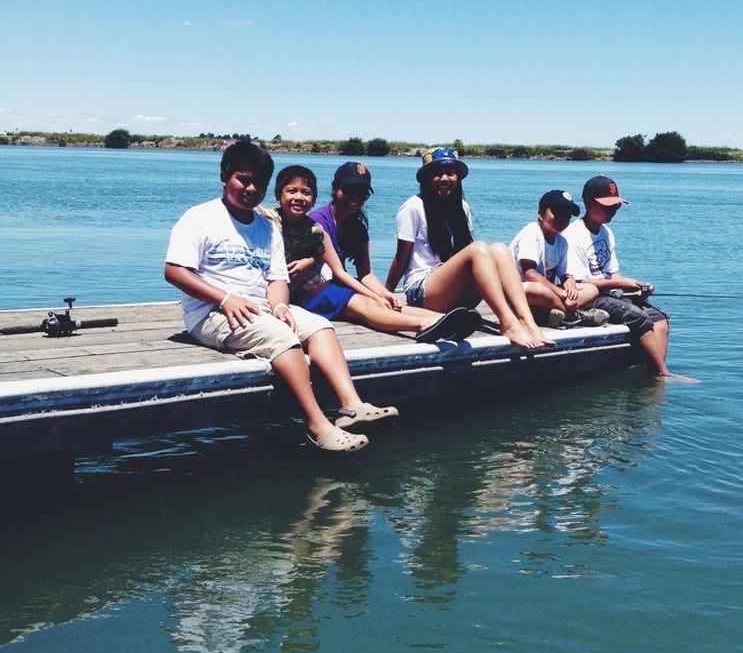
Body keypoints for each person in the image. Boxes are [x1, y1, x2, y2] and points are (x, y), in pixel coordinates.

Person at [164, 140, 397, 454]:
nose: (250, 188)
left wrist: (281, 305)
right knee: (282, 337)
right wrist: (225, 299)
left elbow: (276, 279)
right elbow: (175, 272)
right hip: (212, 311)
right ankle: (317, 425)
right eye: (243, 180)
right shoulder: (199, 218)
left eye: (258, 183)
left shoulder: (268, 228)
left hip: (260, 306)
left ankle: (351, 407)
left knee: (319, 327)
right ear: (224, 177)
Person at [264, 162, 479, 342]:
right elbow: (338, 272)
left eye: (362, 192)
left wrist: (384, 293)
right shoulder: (319, 223)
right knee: (368, 304)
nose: (356, 197)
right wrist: (373, 295)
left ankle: (443, 320)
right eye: (349, 190)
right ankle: (424, 323)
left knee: (381, 302)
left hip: (331, 288)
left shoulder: (357, 225)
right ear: (336, 189)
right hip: (316, 292)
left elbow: (366, 273)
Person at [384, 148, 554, 351]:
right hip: (422, 293)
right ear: (426, 178)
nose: (445, 178)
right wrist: (385, 294)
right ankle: (508, 322)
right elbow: (401, 258)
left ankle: (527, 321)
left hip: (454, 295)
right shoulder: (413, 206)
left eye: (451, 173)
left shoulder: (461, 207)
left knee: (500, 249)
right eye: (437, 173)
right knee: (479, 249)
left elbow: (466, 257)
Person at [561, 174, 676, 378]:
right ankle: (662, 374)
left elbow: (613, 273)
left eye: (616, 207)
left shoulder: (606, 233)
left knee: (660, 317)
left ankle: (653, 366)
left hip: (609, 291)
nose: (612, 212)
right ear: (589, 203)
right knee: (637, 316)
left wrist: (634, 288)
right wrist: (620, 283)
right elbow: (578, 281)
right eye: (607, 207)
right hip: (589, 295)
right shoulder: (574, 234)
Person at [509, 188, 607, 327]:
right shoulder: (532, 232)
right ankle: (573, 314)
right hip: (520, 291)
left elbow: (564, 274)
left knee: (591, 290)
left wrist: (570, 283)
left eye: (567, 215)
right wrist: (562, 295)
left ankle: (547, 314)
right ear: (540, 214)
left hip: (549, 294)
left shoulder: (562, 242)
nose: (563, 217)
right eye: (558, 213)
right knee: (538, 290)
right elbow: (529, 274)